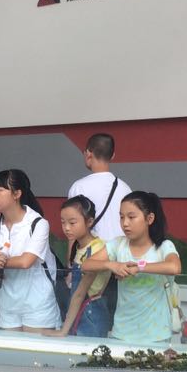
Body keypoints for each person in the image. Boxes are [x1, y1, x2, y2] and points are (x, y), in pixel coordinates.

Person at [0, 169, 61, 332]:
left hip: (38, 304)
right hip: (7, 304)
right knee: (10, 348)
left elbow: (26, 262)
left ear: (17, 194)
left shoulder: (38, 223)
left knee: (35, 348)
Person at [82, 191, 181, 344]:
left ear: (149, 219)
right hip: (122, 332)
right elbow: (86, 264)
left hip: (157, 335)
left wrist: (139, 267)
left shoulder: (163, 246)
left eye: (131, 217)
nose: (125, 223)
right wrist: (112, 265)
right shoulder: (118, 244)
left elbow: (175, 267)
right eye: (121, 217)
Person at [67, 133, 131, 317]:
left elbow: (73, 231)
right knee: (112, 318)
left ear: (88, 153)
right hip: (118, 265)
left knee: (84, 319)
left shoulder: (79, 187)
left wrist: (71, 267)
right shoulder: (125, 188)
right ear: (113, 156)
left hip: (90, 265)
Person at [49, 195, 111, 338]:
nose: (66, 228)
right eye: (63, 222)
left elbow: (79, 294)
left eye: (72, 223)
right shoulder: (79, 246)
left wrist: (63, 330)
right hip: (78, 311)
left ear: (89, 221)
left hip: (91, 313)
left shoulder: (97, 249)